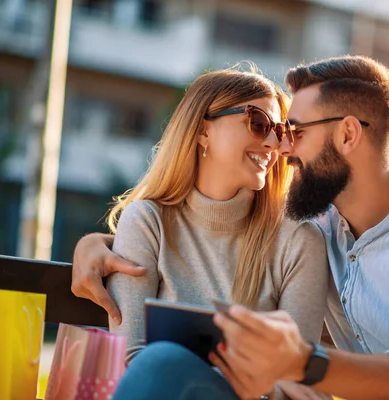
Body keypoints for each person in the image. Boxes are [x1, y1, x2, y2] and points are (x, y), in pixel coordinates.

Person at [72, 56, 389, 400]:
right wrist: (99, 244)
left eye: (294, 131)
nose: (281, 147)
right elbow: (200, 226)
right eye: (268, 127)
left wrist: (305, 362)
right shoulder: (322, 222)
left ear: (346, 135)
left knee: (166, 364)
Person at [88, 66, 330, 399]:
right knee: (161, 362)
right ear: (203, 131)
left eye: (278, 130)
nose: (273, 143)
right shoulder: (146, 221)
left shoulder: (298, 241)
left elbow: (302, 385)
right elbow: (130, 359)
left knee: (164, 360)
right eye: (258, 123)